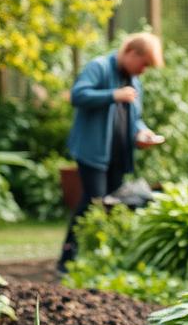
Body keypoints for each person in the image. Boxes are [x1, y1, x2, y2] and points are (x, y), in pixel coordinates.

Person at [58, 32, 165, 271]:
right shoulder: (99, 67)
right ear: (131, 53)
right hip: (93, 151)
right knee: (94, 203)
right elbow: (78, 95)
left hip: (118, 154)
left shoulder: (134, 81)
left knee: (112, 205)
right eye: (144, 63)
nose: (144, 70)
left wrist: (143, 133)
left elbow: (134, 118)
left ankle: (98, 258)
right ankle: (68, 259)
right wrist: (112, 95)